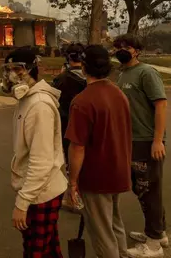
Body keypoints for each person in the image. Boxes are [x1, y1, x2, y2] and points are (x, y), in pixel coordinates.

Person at [0, 48, 68, 258]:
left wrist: (22, 202)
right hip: (38, 189)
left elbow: (41, 161)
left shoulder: (38, 106)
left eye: (17, 69)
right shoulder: (26, 100)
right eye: (8, 69)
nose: (11, 75)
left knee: (35, 251)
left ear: (30, 70)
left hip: (42, 193)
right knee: (48, 249)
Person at [66, 45, 132, 258]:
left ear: (84, 68)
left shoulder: (83, 102)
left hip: (96, 177)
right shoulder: (118, 93)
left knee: (102, 234)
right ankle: (122, 254)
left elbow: (77, 147)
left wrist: (72, 182)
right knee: (114, 223)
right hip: (118, 170)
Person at [113, 34, 168, 258]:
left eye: (125, 47)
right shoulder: (123, 73)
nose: (120, 50)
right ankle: (158, 233)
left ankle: (154, 245)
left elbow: (161, 105)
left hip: (146, 141)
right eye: (117, 47)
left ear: (137, 50)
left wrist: (157, 140)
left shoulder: (146, 72)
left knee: (149, 190)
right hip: (131, 141)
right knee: (143, 189)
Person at [52, 43, 87, 211]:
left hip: (67, 124)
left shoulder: (62, 79)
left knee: (71, 161)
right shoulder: (90, 77)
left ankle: (73, 197)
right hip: (88, 124)